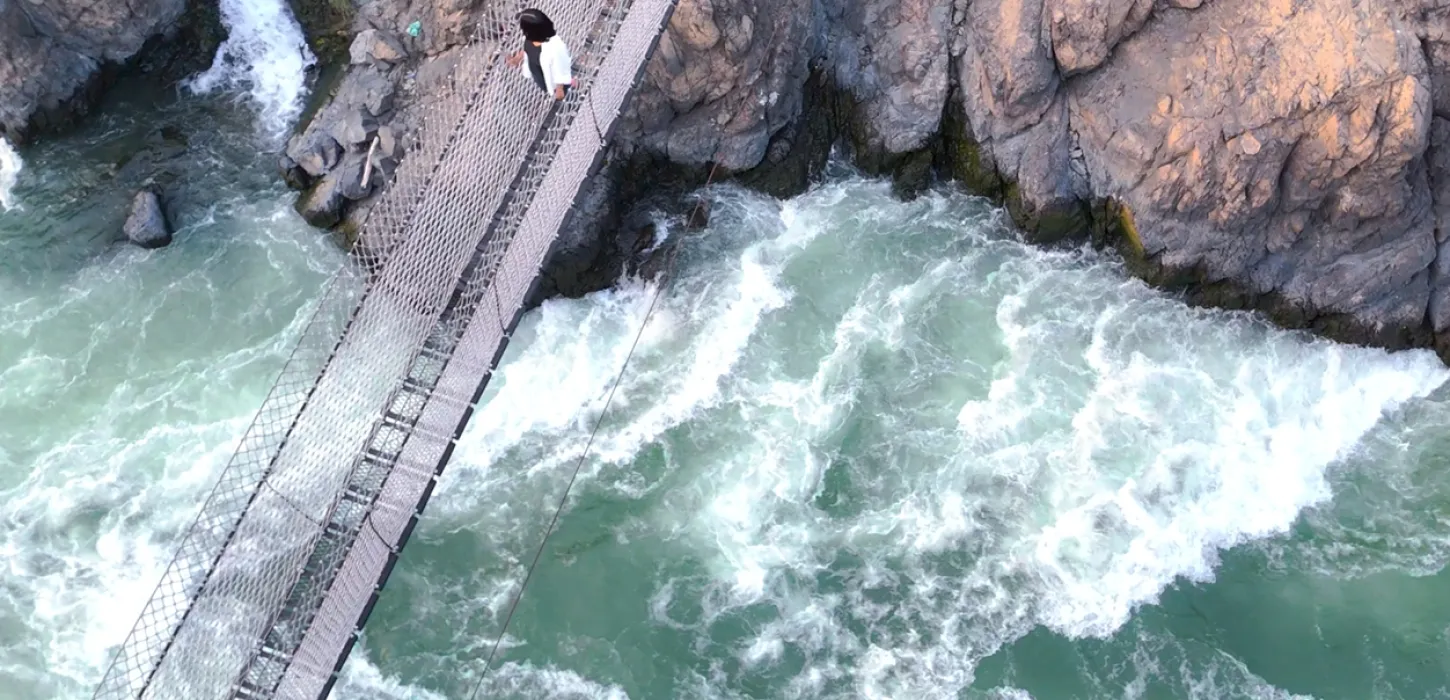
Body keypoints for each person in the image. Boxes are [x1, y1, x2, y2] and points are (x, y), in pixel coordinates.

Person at [504, 9, 574, 101]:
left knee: (568, 95)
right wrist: (518, 58)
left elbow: (560, 66)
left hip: (557, 84)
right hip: (540, 76)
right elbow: (528, 50)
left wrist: (560, 88)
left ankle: (574, 86)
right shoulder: (530, 39)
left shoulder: (555, 46)